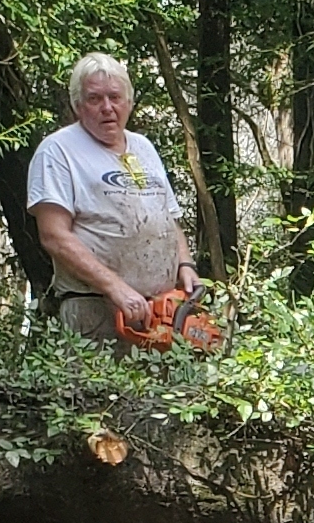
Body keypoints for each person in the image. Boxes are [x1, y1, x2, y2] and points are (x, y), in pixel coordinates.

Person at [25, 54, 200, 344]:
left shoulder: (143, 148)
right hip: (94, 310)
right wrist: (116, 288)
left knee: (167, 390)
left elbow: (168, 219)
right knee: (99, 390)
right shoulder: (58, 151)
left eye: (115, 97)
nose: (107, 108)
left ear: (129, 102)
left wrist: (185, 265)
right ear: (77, 106)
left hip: (163, 313)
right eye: (95, 99)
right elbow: (54, 236)